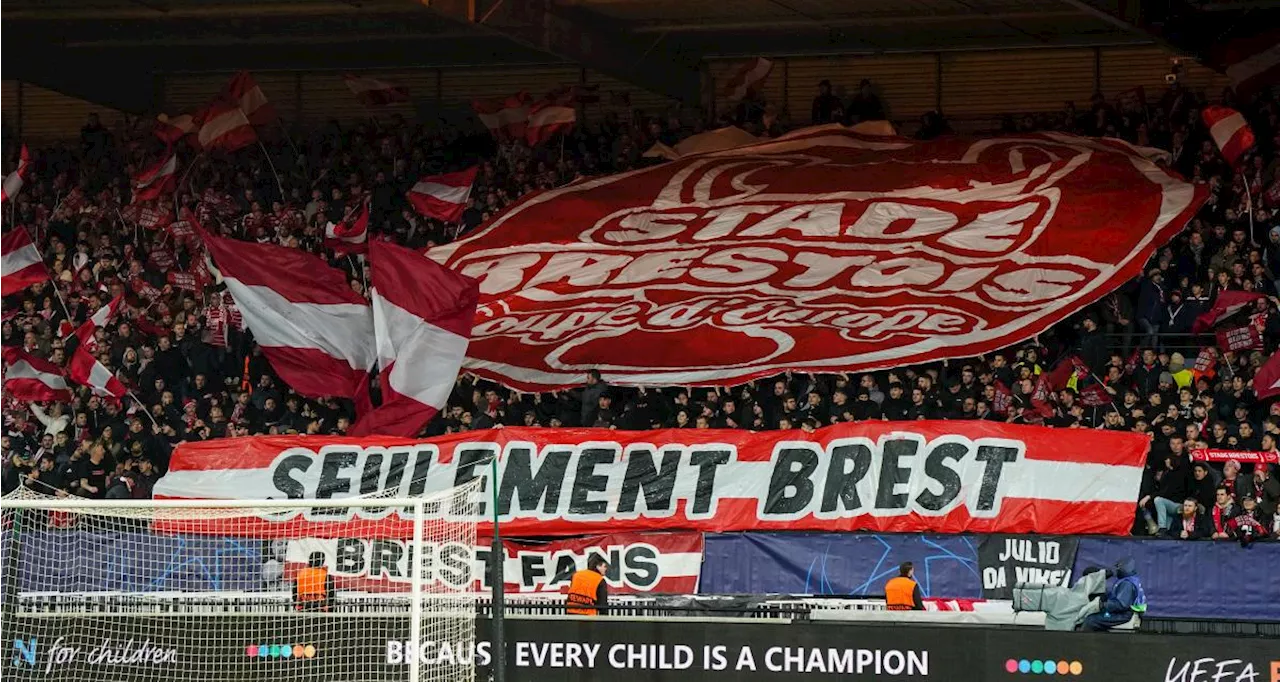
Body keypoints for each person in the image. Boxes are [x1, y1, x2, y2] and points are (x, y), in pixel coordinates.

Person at [1080, 558, 1146, 631]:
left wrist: (1103, 605)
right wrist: (1104, 596)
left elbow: (1121, 605)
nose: (1116, 570)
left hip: (1124, 615)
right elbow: (1116, 597)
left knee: (1091, 620)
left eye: (1118, 568)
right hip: (1125, 613)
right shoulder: (1130, 580)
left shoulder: (1126, 584)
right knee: (1099, 616)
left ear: (1124, 569)